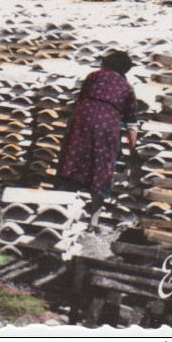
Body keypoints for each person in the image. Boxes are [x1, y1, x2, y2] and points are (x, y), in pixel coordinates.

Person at [56, 50, 139, 225]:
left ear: (107, 64)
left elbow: (81, 99)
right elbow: (131, 123)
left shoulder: (93, 76)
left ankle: (61, 212)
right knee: (102, 168)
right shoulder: (126, 88)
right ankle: (93, 223)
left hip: (82, 120)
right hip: (107, 125)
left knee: (72, 162)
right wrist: (133, 152)